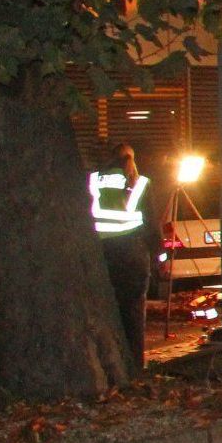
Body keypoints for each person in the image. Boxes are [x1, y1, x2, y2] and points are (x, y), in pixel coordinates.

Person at [89, 143, 160, 367]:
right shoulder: (140, 183)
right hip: (132, 256)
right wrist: (158, 254)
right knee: (133, 314)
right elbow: (151, 225)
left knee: (105, 312)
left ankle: (109, 363)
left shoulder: (91, 181)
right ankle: (134, 365)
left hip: (102, 256)